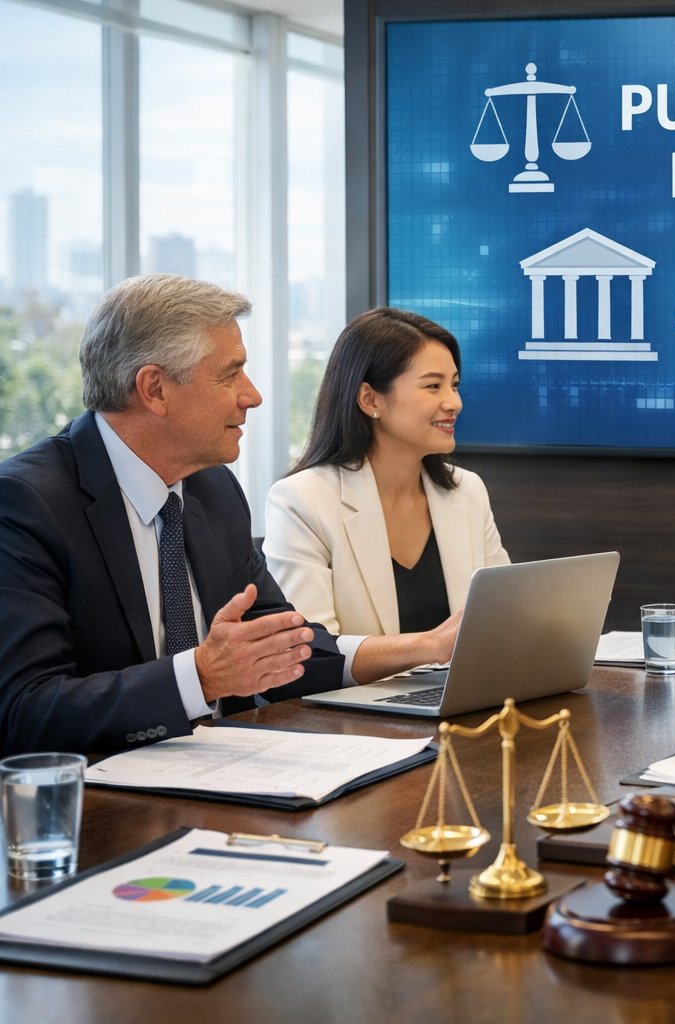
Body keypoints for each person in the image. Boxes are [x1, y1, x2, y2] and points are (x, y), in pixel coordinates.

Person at [0, 275, 457, 757]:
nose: (252, 395)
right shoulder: (27, 502)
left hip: (227, 777)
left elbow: (285, 644)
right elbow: (24, 710)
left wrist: (427, 647)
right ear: (154, 389)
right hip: (102, 804)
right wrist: (201, 676)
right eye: (230, 373)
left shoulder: (213, 489)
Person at [264, 308, 509, 638]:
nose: (454, 402)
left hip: (463, 690)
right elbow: (313, 650)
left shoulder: (468, 491)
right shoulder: (301, 500)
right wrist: (428, 647)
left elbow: (505, 620)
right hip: (353, 692)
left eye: (454, 385)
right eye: (433, 386)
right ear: (370, 399)